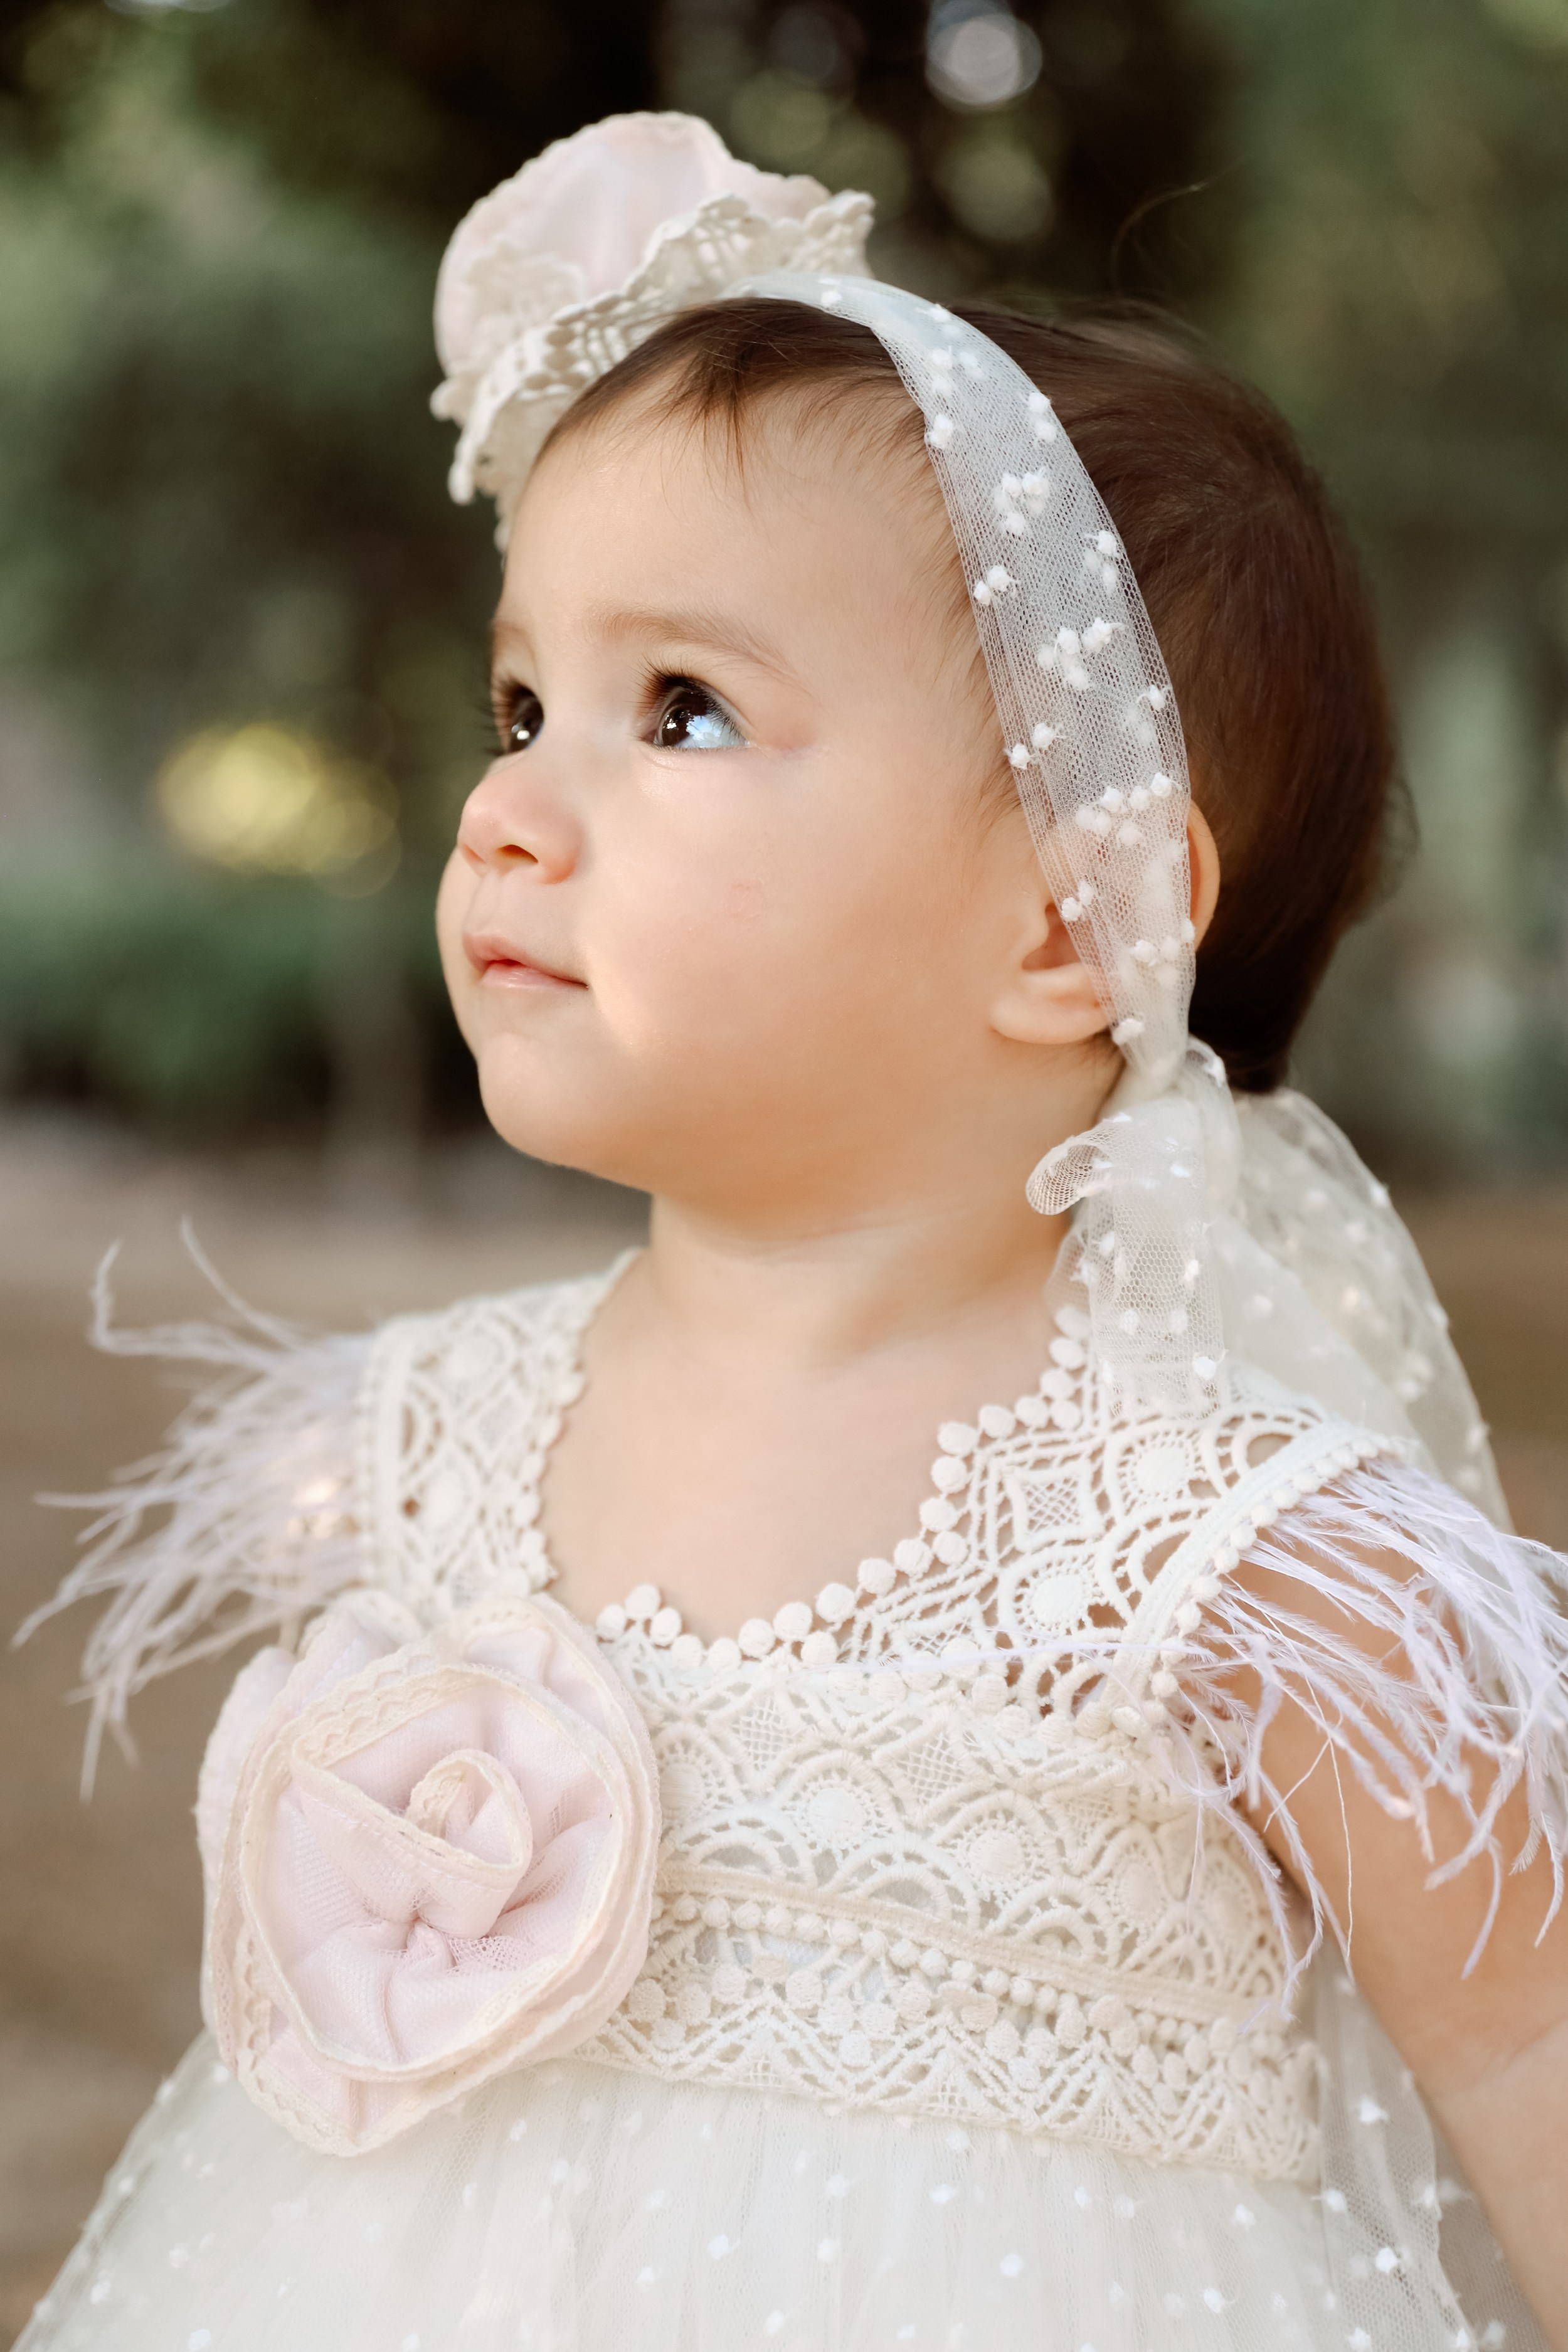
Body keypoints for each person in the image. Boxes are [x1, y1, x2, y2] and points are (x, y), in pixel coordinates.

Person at [16, 111, 1568, 2352]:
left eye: (680, 712)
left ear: (1076, 917)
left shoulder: (1241, 1581)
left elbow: (1526, 2062)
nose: (508, 807)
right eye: (521, 701)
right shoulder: (421, 1450)